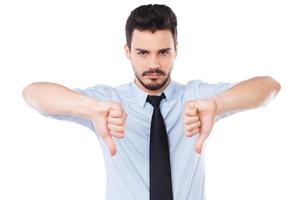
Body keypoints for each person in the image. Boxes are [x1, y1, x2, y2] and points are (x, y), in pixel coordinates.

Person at [22, 4, 281, 200]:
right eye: (143, 53)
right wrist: (90, 109)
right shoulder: (108, 103)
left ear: (176, 50)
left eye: (164, 52)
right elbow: (33, 94)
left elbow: (269, 88)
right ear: (127, 51)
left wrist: (218, 104)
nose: (154, 64)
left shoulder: (197, 99)